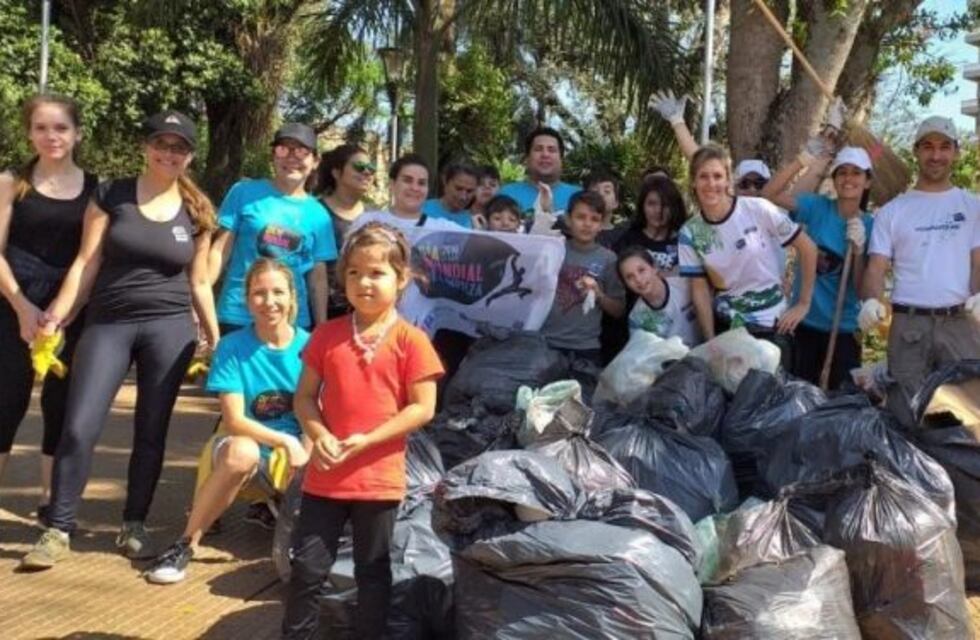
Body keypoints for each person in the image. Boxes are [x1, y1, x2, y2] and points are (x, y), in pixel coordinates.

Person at [20, 110, 220, 569]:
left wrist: (215, 337)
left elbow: (200, 282)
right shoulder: (111, 194)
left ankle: (134, 524)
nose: (168, 153)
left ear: (189, 156)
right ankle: (58, 527)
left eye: (179, 147)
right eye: (161, 144)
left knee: (152, 430)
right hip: (108, 323)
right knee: (79, 424)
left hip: (169, 329)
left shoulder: (197, 210)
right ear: (146, 147)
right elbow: (86, 262)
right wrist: (58, 315)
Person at [282, 222, 444, 639]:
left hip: (378, 480)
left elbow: (423, 407)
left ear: (401, 278)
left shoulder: (412, 341)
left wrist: (369, 440)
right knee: (307, 568)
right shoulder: (327, 335)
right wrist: (320, 435)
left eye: (376, 273)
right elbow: (304, 398)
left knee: (373, 572)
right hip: (325, 476)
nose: (364, 283)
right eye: (354, 272)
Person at [143, 258, 309, 584]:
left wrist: (303, 448)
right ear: (247, 300)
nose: (269, 301)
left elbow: (316, 413)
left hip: (297, 452)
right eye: (259, 293)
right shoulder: (232, 347)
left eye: (278, 292)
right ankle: (185, 545)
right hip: (246, 444)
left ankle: (308, 545)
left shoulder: (311, 346)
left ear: (292, 297)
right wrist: (286, 441)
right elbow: (234, 420)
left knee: (319, 449)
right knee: (242, 452)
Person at [0, 95, 97, 524]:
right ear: (29, 133)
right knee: (6, 403)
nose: (51, 136)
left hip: (70, 310)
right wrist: (22, 308)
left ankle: (50, 505)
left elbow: (91, 258)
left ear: (77, 133)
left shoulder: (97, 189)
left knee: (61, 408)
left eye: (60, 128)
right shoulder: (10, 183)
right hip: (11, 304)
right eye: (41, 127)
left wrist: (65, 310)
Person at [860, 115, 980, 421]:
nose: (935, 155)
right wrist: (871, 300)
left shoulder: (973, 207)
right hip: (908, 328)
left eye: (944, 147)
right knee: (906, 415)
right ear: (916, 151)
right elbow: (876, 268)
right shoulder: (893, 211)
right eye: (927, 146)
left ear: (956, 152)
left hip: (959, 324)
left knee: (966, 415)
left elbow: (978, 263)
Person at [678, 144, 817, 368]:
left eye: (717, 176)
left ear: (728, 180)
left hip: (772, 327)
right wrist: (711, 341)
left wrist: (803, 304)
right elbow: (700, 289)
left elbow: (808, 248)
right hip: (728, 329)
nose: (711, 184)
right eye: (703, 176)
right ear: (693, 181)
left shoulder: (758, 209)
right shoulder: (689, 233)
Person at [763, 145, 874, 389]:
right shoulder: (816, 207)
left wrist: (858, 252)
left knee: (839, 403)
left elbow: (860, 289)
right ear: (833, 178)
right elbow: (770, 194)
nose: (848, 178)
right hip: (803, 324)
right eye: (842, 172)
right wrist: (803, 159)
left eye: (856, 172)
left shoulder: (870, 226)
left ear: (867, 181)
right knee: (797, 399)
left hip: (843, 331)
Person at [209, 122, 336, 333]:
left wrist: (321, 327)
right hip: (238, 315)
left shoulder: (319, 214)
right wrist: (200, 300)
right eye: (283, 149)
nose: (292, 157)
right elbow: (219, 252)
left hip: (292, 321)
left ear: (315, 161)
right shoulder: (243, 192)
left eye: (302, 151)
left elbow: (318, 277)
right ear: (273, 156)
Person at [540, 190, 626, 366]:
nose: (587, 224)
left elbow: (618, 310)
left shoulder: (609, 259)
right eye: (581, 217)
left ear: (601, 224)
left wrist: (599, 295)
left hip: (586, 348)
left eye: (594, 219)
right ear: (568, 219)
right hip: (545, 342)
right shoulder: (553, 249)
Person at [649, 90, 772, 197]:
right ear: (732, 187)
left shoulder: (777, 212)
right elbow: (698, 158)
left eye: (759, 184)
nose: (752, 190)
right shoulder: (726, 210)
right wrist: (676, 120)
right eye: (744, 184)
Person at [316, 144, 373, 318]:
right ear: (336, 172)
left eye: (371, 168)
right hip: (322, 311)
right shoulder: (314, 211)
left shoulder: (376, 217)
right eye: (359, 167)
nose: (367, 172)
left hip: (364, 311)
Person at [353, 154, 461, 233]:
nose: (415, 188)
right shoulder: (366, 223)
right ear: (392, 184)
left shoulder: (444, 229)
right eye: (407, 180)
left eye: (421, 183)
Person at [617, 247, 700, 347]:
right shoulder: (636, 318)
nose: (638, 279)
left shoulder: (686, 284)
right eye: (630, 277)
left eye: (641, 270)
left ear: (654, 267)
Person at [612, 175, 688, 274]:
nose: (658, 210)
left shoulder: (685, 241)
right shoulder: (628, 241)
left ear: (674, 207)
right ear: (642, 206)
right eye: (652, 204)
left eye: (665, 204)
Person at [499, 127, 580, 217]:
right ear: (527, 159)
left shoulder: (579, 197)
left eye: (551, 150)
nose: (545, 154)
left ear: (562, 160)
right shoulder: (506, 194)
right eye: (538, 149)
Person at [421, 161, 478, 228]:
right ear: (445, 182)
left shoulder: (473, 222)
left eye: (469, 191)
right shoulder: (421, 210)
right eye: (459, 189)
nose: (463, 197)